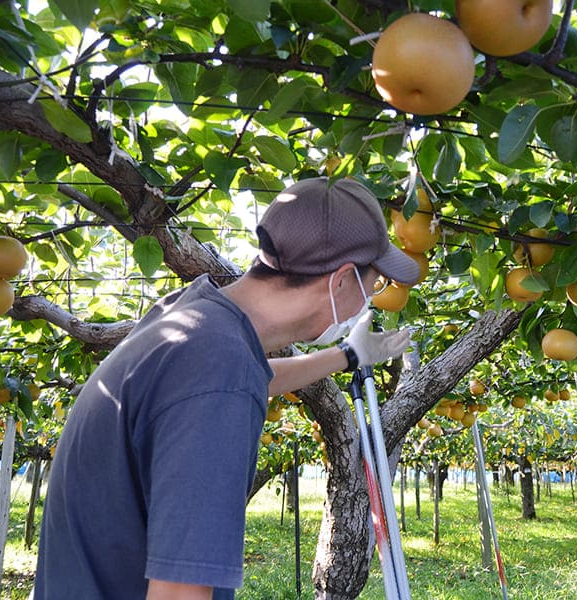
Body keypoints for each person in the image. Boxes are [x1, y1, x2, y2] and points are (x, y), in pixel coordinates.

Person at [33, 176, 420, 599]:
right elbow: (179, 594)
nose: (372, 296)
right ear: (342, 279)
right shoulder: (218, 375)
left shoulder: (195, 318)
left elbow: (255, 377)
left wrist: (347, 355)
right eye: (375, 282)